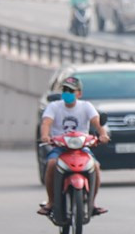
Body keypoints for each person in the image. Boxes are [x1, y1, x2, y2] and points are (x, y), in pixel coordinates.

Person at [38, 76, 110, 216]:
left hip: (82, 148)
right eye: (65, 90)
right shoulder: (54, 106)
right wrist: (45, 136)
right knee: (52, 164)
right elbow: (46, 123)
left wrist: (103, 135)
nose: (68, 93)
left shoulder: (86, 106)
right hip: (60, 147)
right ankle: (51, 202)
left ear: (79, 93)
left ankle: (92, 203)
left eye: (71, 90)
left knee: (95, 166)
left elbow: (97, 123)